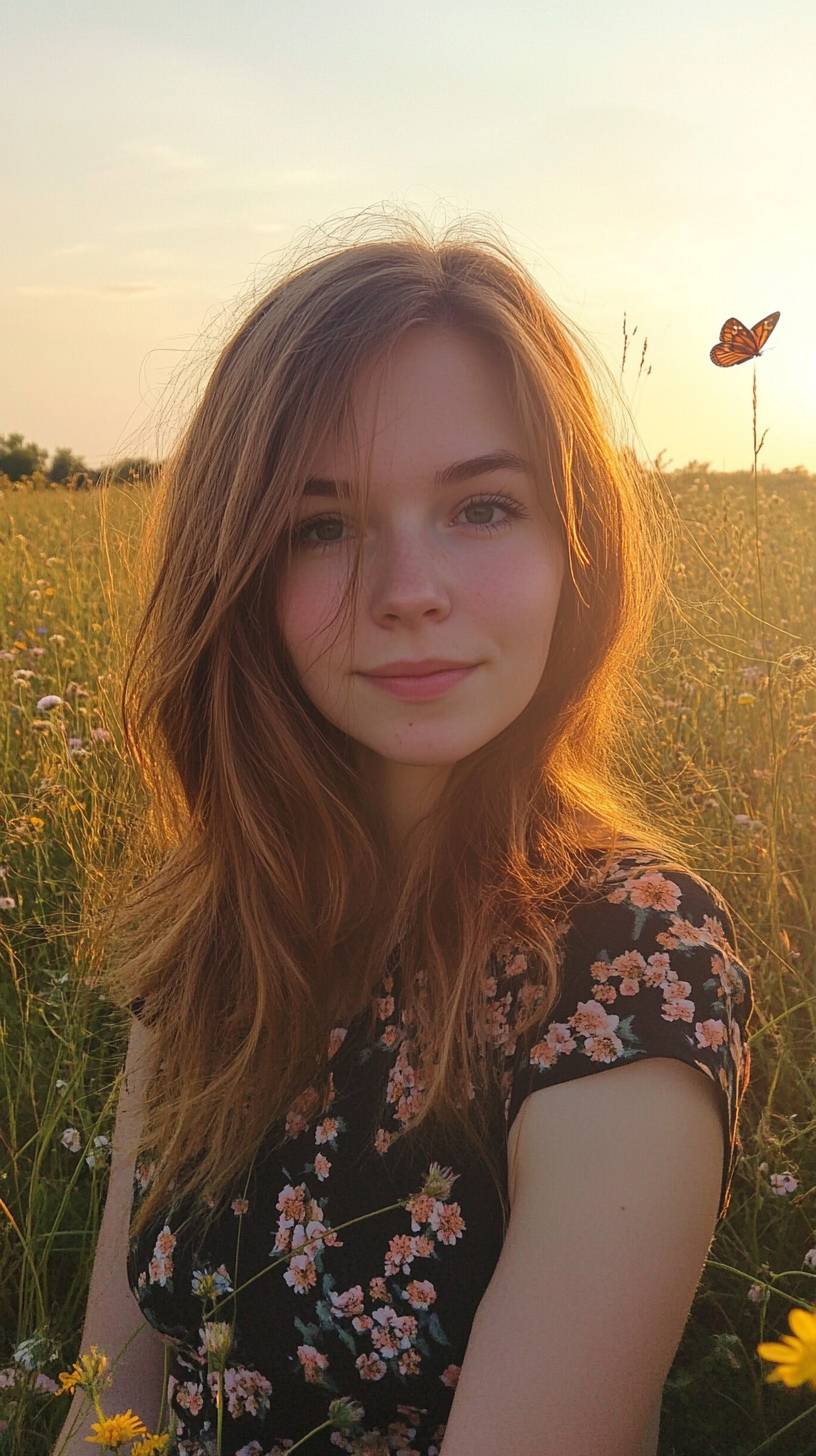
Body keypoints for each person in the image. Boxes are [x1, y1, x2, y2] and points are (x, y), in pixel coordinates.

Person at [56, 214, 753, 1456]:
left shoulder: (626, 956)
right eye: (321, 526)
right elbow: (109, 1402)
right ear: (242, 573)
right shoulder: (211, 929)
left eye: (482, 507)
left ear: (571, 551)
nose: (408, 588)